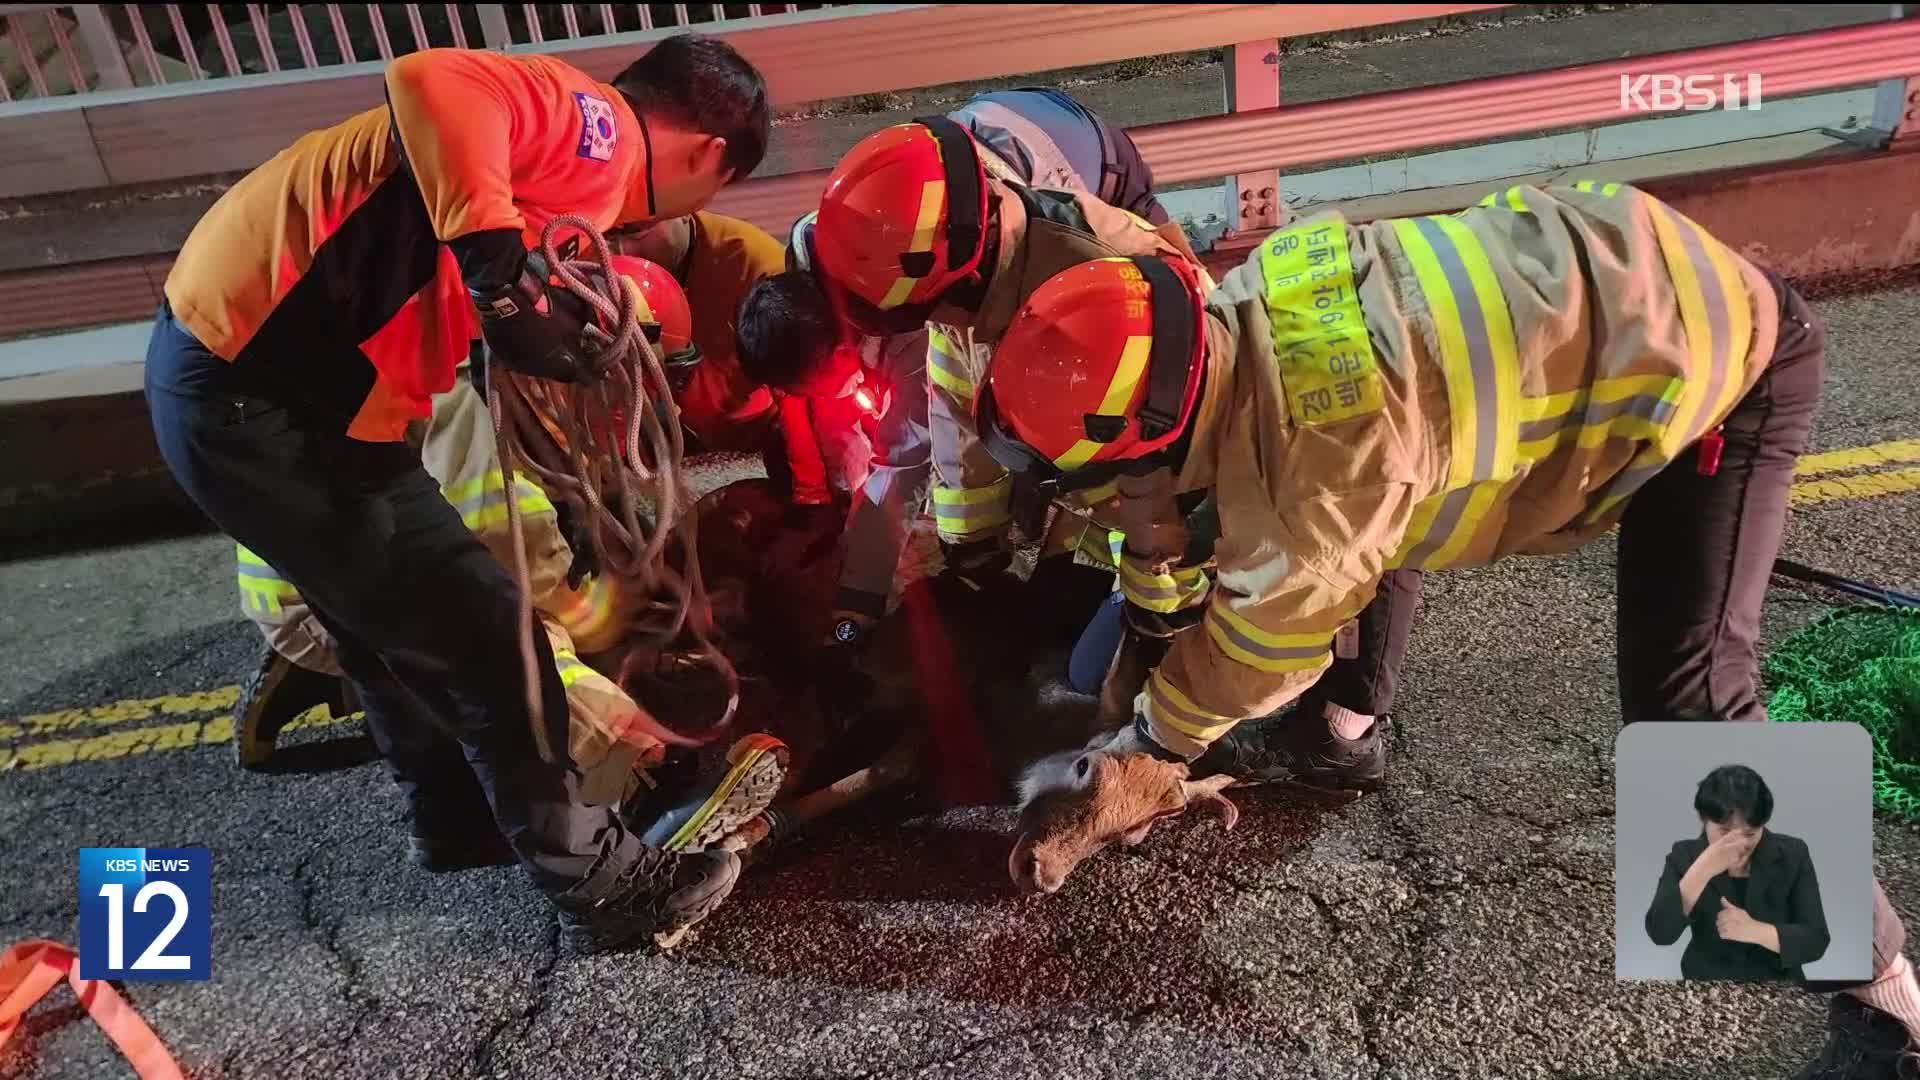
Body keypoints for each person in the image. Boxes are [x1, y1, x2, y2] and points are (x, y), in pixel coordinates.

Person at [978, 180, 1920, 1074]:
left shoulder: (1318, 495)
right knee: (1395, 514)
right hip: (1622, 275)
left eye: (1096, 482)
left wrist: (1150, 747)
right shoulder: (1254, 294)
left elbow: (1265, 644)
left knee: (1691, 722)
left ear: (1150, 439)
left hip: (1722, 365)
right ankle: (1346, 731)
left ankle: (1890, 1001)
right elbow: (1331, 506)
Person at [146, 33, 771, 955]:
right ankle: (603, 884)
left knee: (384, 629)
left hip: (258, 390)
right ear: (711, 154)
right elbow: (428, 74)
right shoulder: (597, 130)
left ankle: (453, 816)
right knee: (487, 634)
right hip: (264, 399)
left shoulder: (552, 171)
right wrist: (500, 276)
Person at [748, 98, 1209, 693]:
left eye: (844, 379)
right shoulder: (871, 259)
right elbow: (952, 422)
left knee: (1074, 606)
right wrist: (961, 550)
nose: (854, 392)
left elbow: (915, 451)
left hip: (1087, 159)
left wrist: (1145, 595)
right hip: (997, 164)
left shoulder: (1058, 285)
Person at [1645, 764, 1831, 981]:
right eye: (1724, 832)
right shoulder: (1684, 855)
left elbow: (1816, 940)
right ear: (1702, 819)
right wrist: (1703, 869)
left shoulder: (1793, 853)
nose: (1738, 844)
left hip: (1778, 983)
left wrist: (1755, 931)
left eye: (1750, 833)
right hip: (1706, 983)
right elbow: (1660, 933)